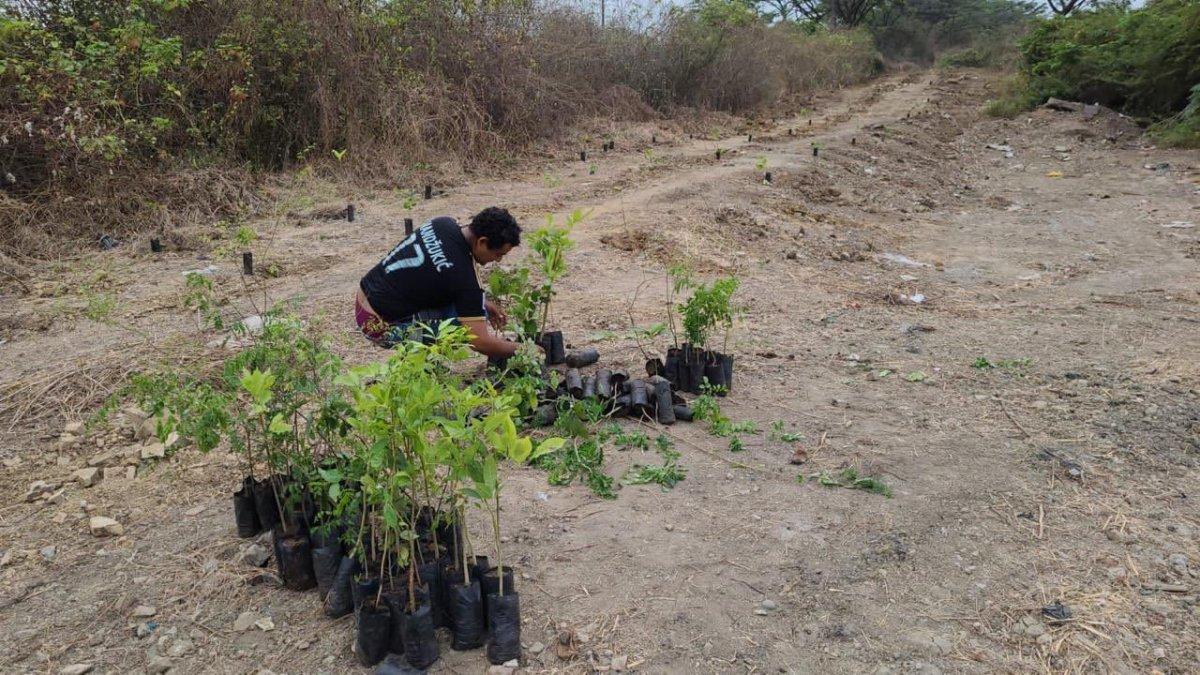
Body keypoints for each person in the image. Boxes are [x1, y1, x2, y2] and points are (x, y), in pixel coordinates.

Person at [355, 207, 523, 358]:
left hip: (363, 302)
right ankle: (418, 364)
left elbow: (439, 274)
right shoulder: (464, 276)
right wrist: (527, 350)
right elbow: (480, 342)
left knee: (476, 309)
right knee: (458, 328)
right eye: (498, 254)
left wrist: (483, 303)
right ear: (482, 242)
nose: (499, 260)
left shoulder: (443, 224)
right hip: (380, 330)